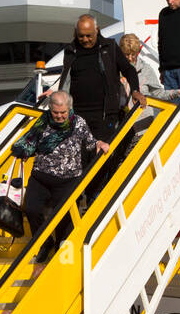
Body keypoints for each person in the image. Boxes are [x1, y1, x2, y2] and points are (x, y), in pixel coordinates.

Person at [12, 90, 108, 261]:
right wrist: (26, 150)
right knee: (31, 209)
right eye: (56, 113)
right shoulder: (43, 121)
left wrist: (99, 143)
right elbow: (30, 141)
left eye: (63, 112)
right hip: (40, 175)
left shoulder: (78, 123)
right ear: (50, 109)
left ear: (69, 108)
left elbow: (89, 143)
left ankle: (59, 252)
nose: (60, 116)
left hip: (68, 179)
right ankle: (44, 243)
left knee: (63, 218)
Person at [60, 15, 142, 147]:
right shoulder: (70, 50)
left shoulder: (109, 47)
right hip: (78, 117)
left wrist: (135, 90)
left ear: (97, 30)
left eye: (89, 35)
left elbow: (128, 69)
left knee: (104, 155)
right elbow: (65, 80)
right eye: (81, 36)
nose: (85, 40)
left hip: (104, 116)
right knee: (83, 158)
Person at [118, 33, 180, 105]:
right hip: (124, 115)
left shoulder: (146, 70)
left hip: (144, 115)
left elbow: (158, 93)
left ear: (137, 52)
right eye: (126, 54)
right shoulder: (116, 69)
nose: (130, 58)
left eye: (133, 54)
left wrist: (177, 93)